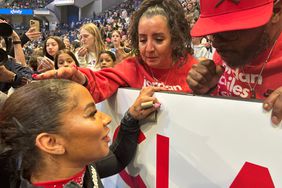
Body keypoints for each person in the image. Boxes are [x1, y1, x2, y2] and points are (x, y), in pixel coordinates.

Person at [0, 79, 161, 187]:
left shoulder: (79, 165)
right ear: (51, 143)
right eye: (92, 113)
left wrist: (131, 118)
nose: (106, 119)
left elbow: (117, 158)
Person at [34, 0, 198, 103]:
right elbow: (99, 83)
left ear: (176, 38)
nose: (148, 48)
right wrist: (79, 76)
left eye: (159, 39)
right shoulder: (132, 67)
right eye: (142, 40)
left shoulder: (195, 69)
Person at [187, 0, 282, 124]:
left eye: (230, 32)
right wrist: (208, 89)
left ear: (276, 12)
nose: (216, 44)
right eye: (214, 33)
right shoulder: (228, 52)